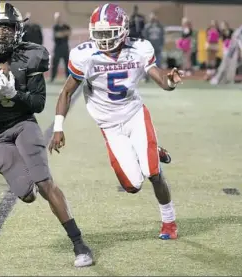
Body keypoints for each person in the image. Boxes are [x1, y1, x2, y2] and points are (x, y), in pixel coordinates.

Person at [0, 2, 93, 267]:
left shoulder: (30, 55)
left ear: (18, 30)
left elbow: (38, 104)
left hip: (23, 123)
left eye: (8, 28)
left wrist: (13, 94)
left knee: (44, 182)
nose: (3, 34)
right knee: (26, 194)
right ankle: (24, 178)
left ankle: (79, 243)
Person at [49, 3, 182, 240]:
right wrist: (58, 127)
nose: (103, 40)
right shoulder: (85, 55)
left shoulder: (139, 49)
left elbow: (160, 78)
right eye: (99, 34)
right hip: (109, 126)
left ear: (123, 30)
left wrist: (170, 80)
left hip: (134, 116)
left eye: (108, 34)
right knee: (132, 186)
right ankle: (152, 149)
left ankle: (169, 221)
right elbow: (66, 92)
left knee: (153, 172)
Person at [50, 12, 71, 82]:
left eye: (58, 17)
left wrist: (62, 33)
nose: (57, 19)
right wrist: (64, 33)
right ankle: (52, 78)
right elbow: (57, 35)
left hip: (65, 47)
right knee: (55, 63)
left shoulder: (66, 26)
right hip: (57, 48)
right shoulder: (55, 27)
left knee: (67, 63)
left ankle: (68, 78)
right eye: (56, 18)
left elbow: (69, 32)